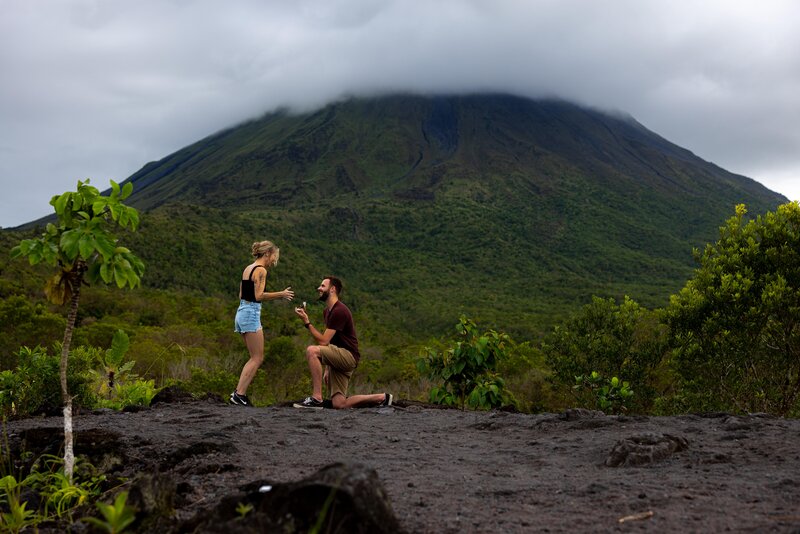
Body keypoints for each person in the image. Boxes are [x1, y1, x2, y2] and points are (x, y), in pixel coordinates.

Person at [293, 276, 392, 409]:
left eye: (322, 286)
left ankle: (316, 398)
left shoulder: (339, 311)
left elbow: (323, 341)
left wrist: (307, 322)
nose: (319, 288)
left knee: (312, 351)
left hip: (348, 356)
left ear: (332, 289)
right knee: (339, 404)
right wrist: (328, 367)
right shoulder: (327, 312)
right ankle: (382, 397)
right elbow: (331, 341)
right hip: (340, 356)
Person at [230, 240, 294, 406]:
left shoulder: (248, 268)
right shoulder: (261, 271)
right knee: (257, 357)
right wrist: (281, 294)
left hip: (241, 311)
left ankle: (238, 394)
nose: (274, 259)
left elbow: (240, 294)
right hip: (251, 313)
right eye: (274, 255)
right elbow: (258, 296)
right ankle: (239, 395)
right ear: (267, 254)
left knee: (254, 357)